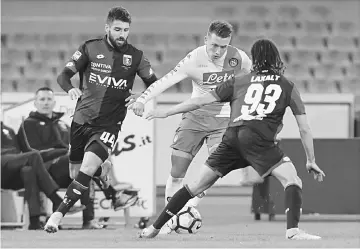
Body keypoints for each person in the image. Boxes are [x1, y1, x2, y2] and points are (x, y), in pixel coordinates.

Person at [139, 39, 326, 240]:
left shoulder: (239, 81)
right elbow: (304, 128)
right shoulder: (287, 86)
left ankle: (154, 228)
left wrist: (168, 112)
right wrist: (311, 160)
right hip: (259, 140)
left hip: (232, 138)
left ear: (254, 59)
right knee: (292, 180)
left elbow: (199, 100)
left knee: (194, 186)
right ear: (276, 59)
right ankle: (293, 231)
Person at [129, 20, 252, 232]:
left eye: (223, 47)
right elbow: (166, 81)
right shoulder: (194, 59)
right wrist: (142, 100)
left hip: (223, 121)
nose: (218, 51)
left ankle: (184, 211)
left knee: (215, 170)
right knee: (177, 171)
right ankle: (172, 218)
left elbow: (252, 85)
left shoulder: (240, 59)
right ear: (206, 39)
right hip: (194, 117)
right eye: (214, 45)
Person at [44, 6, 158, 233]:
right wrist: (69, 90)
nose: (122, 34)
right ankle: (104, 175)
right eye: (117, 29)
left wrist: (141, 98)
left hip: (109, 124)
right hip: (81, 120)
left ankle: (56, 217)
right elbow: (63, 75)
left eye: (125, 30)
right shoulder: (90, 47)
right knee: (75, 174)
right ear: (107, 28)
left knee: (86, 167)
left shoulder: (136, 57)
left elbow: (154, 83)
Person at [18, 87, 137, 229]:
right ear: (35, 103)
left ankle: (89, 220)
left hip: (68, 168)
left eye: (49, 99)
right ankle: (112, 196)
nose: (46, 103)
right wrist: (64, 151)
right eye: (42, 99)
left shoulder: (61, 124)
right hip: (45, 171)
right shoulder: (28, 124)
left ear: (54, 102)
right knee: (84, 163)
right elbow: (33, 153)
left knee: (86, 167)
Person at [1, 122, 84, 230]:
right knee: (33, 157)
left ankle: (34, 222)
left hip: (12, 171)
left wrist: (62, 151)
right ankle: (57, 200)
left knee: (29, 170)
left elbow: (28, 152)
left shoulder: (9, 129)